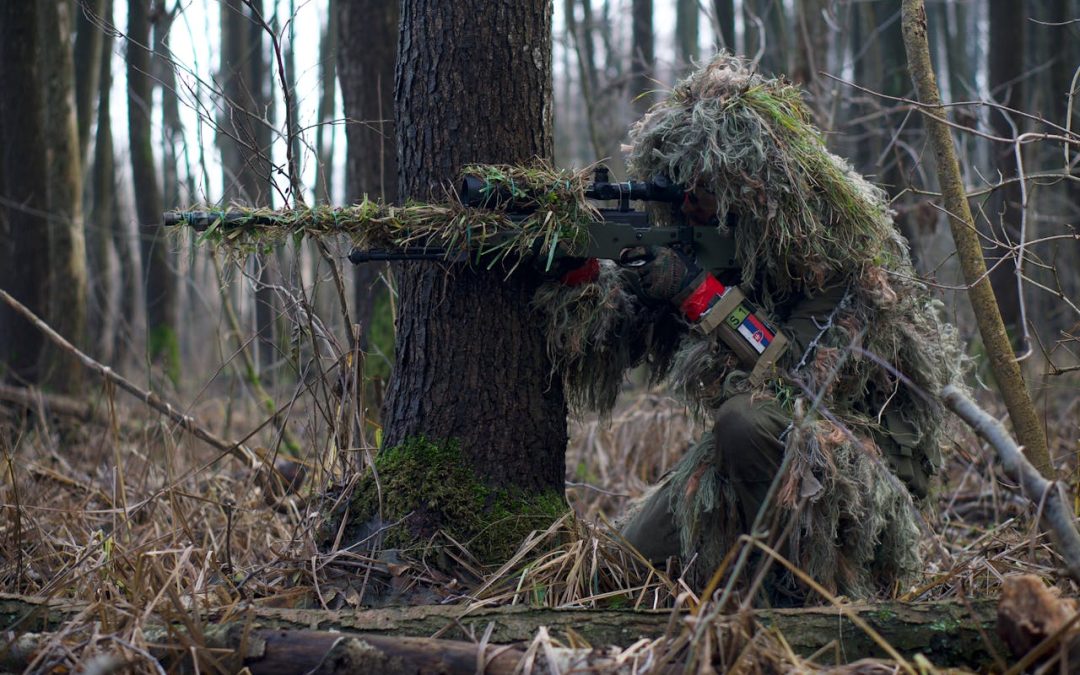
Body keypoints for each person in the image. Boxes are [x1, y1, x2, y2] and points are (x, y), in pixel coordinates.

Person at [533, 55, 964, 600]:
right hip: (746, 464)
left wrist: (695, 291)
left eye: (705, 188)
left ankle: (806, 605)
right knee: (615, 572)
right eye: (680, 186)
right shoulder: (702, 237)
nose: (689, 204)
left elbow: (796, 381)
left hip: (858, 478)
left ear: (753, 185)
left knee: (745, 419)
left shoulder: (841, 254)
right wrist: (581, 273)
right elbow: (617, 338)